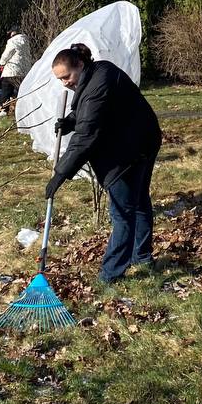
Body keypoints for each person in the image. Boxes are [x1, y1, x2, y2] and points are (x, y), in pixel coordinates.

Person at [45, 43, 162, 284]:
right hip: (140, 138)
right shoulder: (98, 73)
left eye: (66, 76)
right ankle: (142, 256)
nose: (64, 83)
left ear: (80, 64)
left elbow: (87, 133)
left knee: (123, 212)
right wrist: (71, 121)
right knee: (138, 202)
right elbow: (91, 111)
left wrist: (60, 174)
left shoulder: (99, 82)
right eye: (60, 79)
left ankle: (111, 274)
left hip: (130, 150)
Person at [0, 26, 32, 110]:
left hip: (12, 70)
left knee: (6, 89)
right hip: (24, 71)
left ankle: (4, 109)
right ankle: (23, 108)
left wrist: (2, 63)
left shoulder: (12, 41)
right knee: (21, 91)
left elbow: (6, 54)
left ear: (13, 32)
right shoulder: (26, 41)